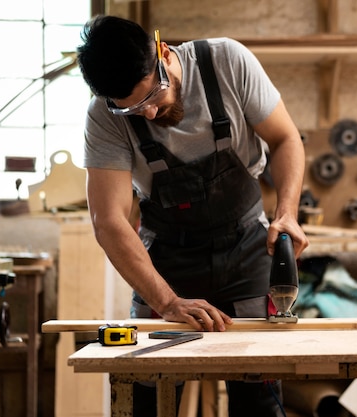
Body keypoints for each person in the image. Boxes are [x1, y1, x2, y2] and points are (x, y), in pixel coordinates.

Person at [77, 15, 309, 417]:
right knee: (144, 398)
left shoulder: (227, 62)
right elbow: (109, 220)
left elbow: (285, 138)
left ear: (163, 53)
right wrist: (165, 301)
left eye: (152, 98)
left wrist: (287, 213)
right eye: (130, 110)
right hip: (167, 261)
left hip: (246, 251)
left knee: (259, 399)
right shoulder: (103, 117)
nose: (147, 116)